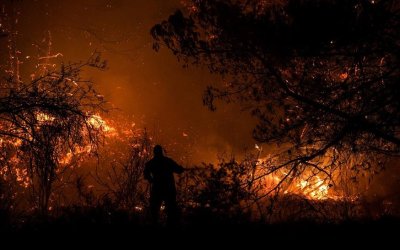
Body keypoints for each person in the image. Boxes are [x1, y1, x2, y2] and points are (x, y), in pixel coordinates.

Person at [144, 145, 184, 226]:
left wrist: (151, 180)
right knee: (171, 210)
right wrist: (181, 168)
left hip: (157, 189)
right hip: (169, 188)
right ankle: (170, 226)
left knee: (155, 210)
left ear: (154, 152)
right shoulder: (168, 161)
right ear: (161, 152)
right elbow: (178, 170)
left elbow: (146, 174)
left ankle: (155, 225)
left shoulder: (151, 163)